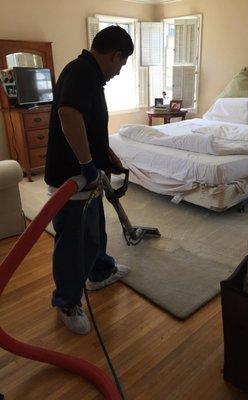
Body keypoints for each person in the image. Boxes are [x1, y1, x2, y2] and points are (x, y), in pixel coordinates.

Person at [44, 26, 134, 335]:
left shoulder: (89, 75)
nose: (119, 71)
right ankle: (67, 302)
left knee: (94, 233)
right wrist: (87, 167)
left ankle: (99, 271)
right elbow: (69, 115)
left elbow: (90, 123)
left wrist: (106, 154)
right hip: (73, 178)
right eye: (121, 64)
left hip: (89, 177)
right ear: (114, 55)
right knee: (72, 242)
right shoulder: (82, 72)